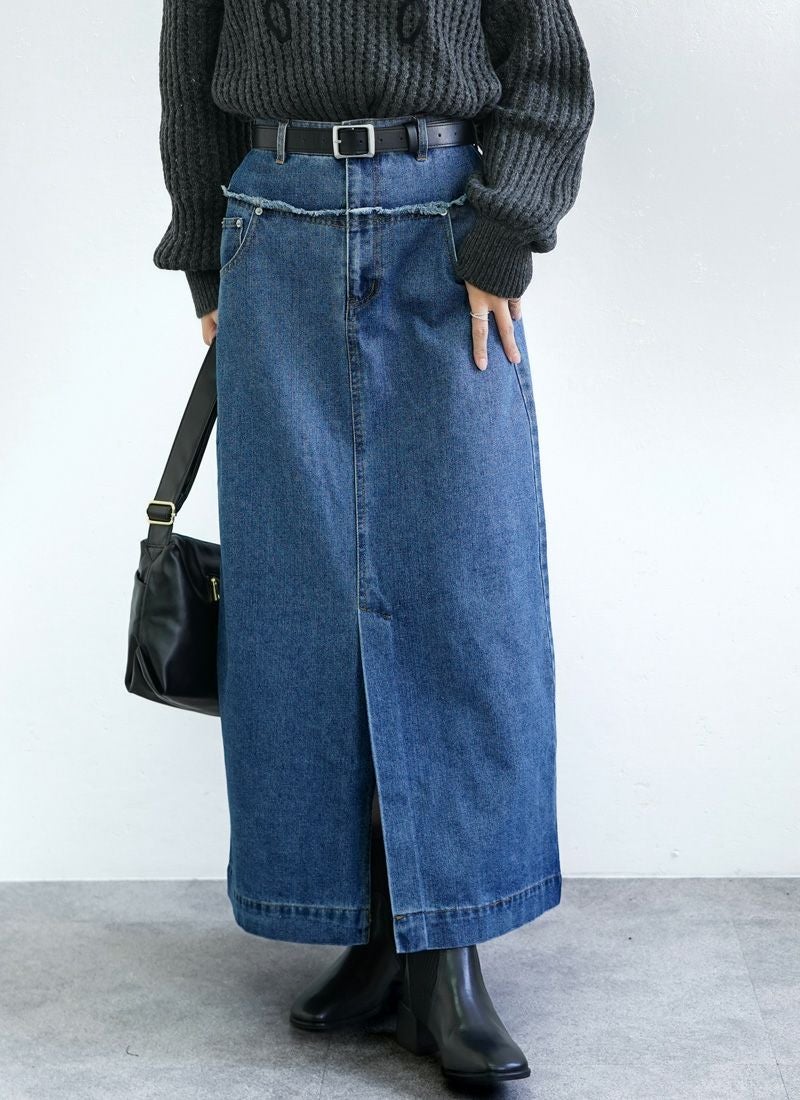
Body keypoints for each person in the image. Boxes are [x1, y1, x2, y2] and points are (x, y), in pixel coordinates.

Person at [153, 0, 593, 1087]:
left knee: (462, 594)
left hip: (442, 231)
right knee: (297, 605)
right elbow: (188, 76)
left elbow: (547, 69)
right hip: (273, 229)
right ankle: (368, 929)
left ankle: (447, 952)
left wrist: (503, 234)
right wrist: (206, 257)